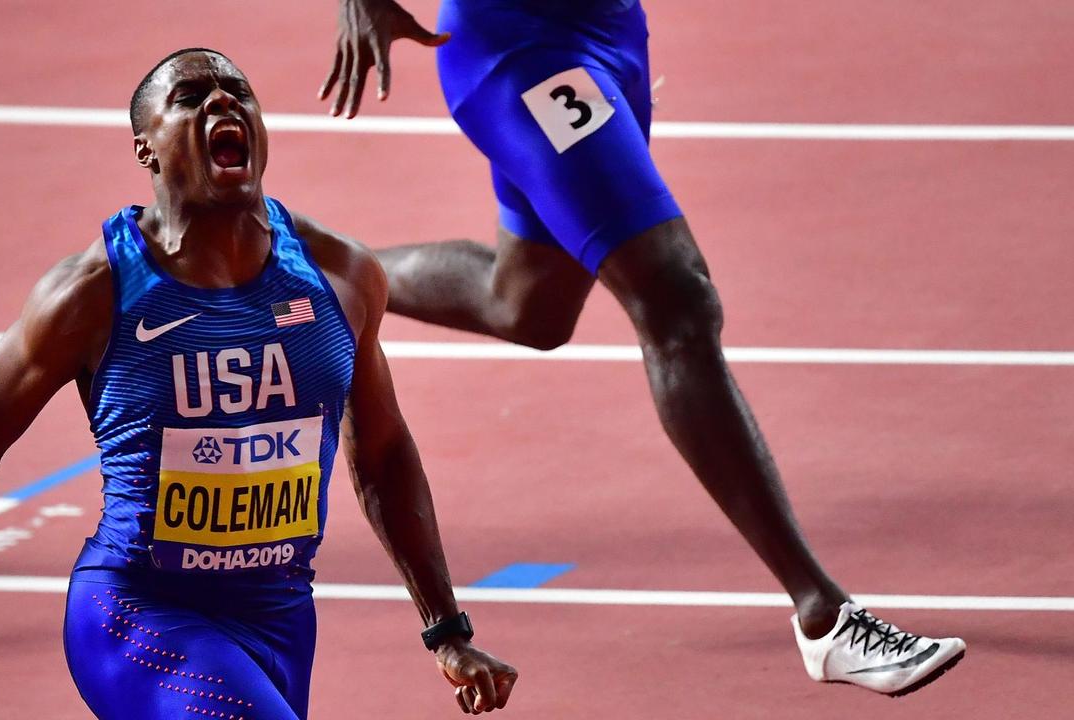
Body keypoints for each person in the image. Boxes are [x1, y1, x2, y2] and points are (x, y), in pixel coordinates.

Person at [318, 0, 965, 696]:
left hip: (611, 32)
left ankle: (323, 270)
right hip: (522, 54)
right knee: (675, 299)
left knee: (528, 304)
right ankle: (824, 617)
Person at [0, 48, 518, 720]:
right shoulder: (91, 294)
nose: (222, 102)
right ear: (146, 149)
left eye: (237, 91)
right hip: (139, 612)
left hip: (281, 617)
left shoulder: (339, 276)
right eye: (191, 96)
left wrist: (447, 631)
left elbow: (380, 453)